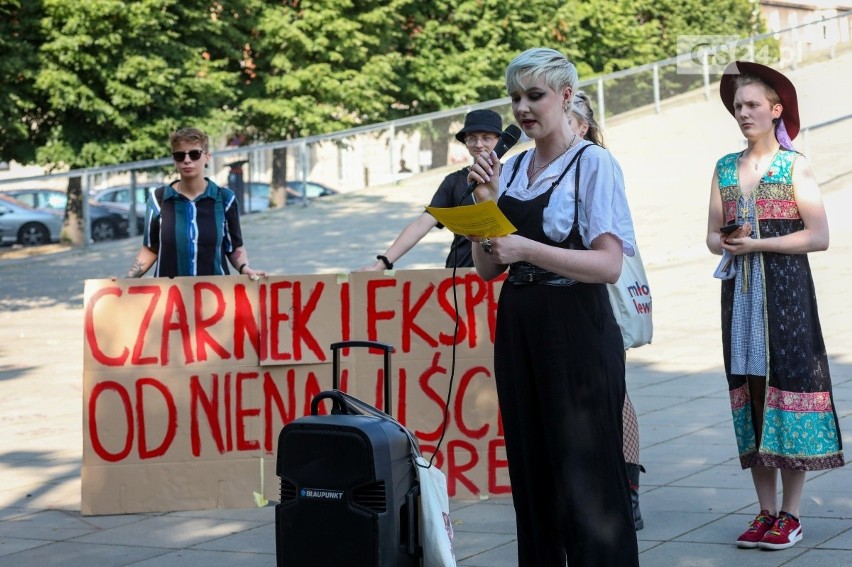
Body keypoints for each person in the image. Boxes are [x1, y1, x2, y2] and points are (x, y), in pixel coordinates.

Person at [467, 48, 639, 565]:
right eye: (515, 97)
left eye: (534, 96)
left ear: (566, 96)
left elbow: (609, 265)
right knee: (532, 470)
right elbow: (487, 268)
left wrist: (529, 250)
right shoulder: (513, 170)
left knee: (586, 478)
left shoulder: (594, 163)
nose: (522, 108)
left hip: (576, 328)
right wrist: (485, 204)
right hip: (520, 324)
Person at [706, 61, 844, 551]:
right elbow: (709, 236)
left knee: (789, 390)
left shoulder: (793, 164)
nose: (743, 113)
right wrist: (728, 241)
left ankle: (791, 514)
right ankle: (764, 512)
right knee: (753, 394)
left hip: (785, 297)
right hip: (740, 297)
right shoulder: (725, 166)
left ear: (775, 109)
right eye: (737, 106)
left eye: (752, 105)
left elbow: (819, 236)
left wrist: (760, 244)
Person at [571, 90, 645, 531]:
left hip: (601, 293)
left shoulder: (598, 162)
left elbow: (612, 243)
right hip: (570, 298)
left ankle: (628, 490)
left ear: (582, 125)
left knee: (616, 393)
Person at [358, 109, 502, 271]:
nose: (479, 144)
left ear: (499, 140)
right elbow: (421, 225)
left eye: (486, 138)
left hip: (506, 276)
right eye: (472, 138)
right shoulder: (453, 182)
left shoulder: (517, 175)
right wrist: (381, 264)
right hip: (460, 277)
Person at [126, 127, 266, 279]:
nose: (187, 160)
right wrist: (125, 281)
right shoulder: (159, 199)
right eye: (180, 155)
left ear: (207, 157)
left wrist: (244, 268)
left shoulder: (226, 199)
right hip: (169, 296)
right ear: (174, 160)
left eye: (194, 154)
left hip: (214, 295)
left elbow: (233, 247)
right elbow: (150, 248)